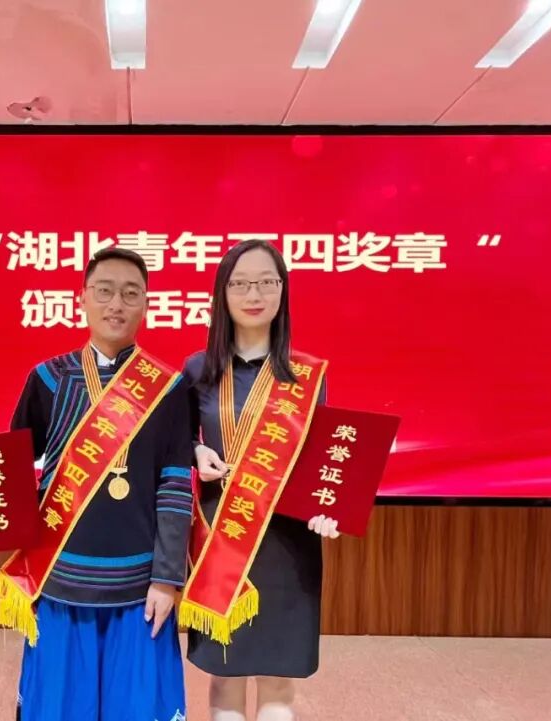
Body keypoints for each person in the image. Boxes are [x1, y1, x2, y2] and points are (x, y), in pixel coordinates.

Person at [0, 248, 191, 721]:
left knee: (138, 710)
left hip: (140, 588)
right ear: (82, 298)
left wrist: (167, 578)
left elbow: (175, 484)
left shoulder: (168, 388)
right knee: (59, 709)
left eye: (130, 293)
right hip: (59, 579)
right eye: (104, 291)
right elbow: (9, 467)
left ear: (146, 304)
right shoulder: (48, 379)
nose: (116, 304)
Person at [179, 239, 341, 721]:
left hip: (288, 540)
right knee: (225, 674)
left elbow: (320, 458)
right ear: (223, 293)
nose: (254, 294)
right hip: (222, 533)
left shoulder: (307, 374)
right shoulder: (198, 369)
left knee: (277, 678)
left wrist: (328, 506)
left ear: (282, 291)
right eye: (241, 283)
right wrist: (196, 451)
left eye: (266, 282)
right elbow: (178, 441)